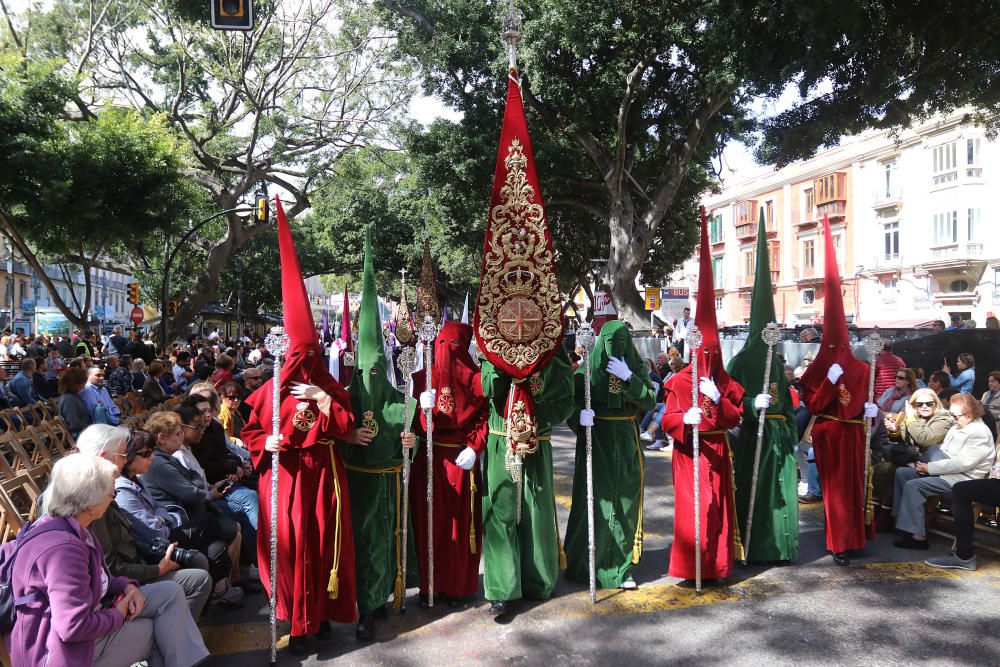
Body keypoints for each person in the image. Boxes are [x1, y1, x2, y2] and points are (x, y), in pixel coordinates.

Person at [241, 198, 358, 655]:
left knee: (324, 545)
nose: (305, 365)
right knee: (290, 548)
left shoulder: (326, 381)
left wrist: (323, 397)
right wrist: (264, 440)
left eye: (311, 356)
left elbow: (346, 424)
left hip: (324, 476)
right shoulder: (269, 389)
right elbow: (249, 430)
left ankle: (323, 615)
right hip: (286, 477)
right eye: (299, 357)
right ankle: (296, 617)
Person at [6, 452, 209, 667]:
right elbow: (73, 627)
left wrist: (128, 587)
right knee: (162, 633)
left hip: (93, 618)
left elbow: (99, 577)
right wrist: (117, 615)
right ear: (91, 503)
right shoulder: (64, 550)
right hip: (64, 652)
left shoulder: (73, 524)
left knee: (170, 593)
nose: (114, 498)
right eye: (110, 495)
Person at [661, 212, 745, 581]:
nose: (709, 359)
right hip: (689, 455)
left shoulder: (725, 380)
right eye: (704, 352)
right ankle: (692, 567)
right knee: (696, 510)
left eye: (714, 352)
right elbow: (665, 419)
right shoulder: (679, 380)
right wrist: (684, 419)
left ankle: (717, 566)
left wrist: (720, 399)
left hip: (718, 451)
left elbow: (734, 418)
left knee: (718, 511)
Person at [338, 231, 413, 639]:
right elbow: (329, 432)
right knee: (361, 545)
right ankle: (363, 606)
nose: (370, 378)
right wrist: (347, 435)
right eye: (364, 371)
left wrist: (410, 445)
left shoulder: (404, 401)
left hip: (388, 484)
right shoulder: (344, 399)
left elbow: (415, 440)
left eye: (377, 371)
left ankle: (382, 596)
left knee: (387, 541)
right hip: (357, 485)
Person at [797, 216, 876, 566]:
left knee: (854, 487)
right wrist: (828, 381)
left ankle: (854, 538)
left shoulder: (863, 369)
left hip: (855, 433)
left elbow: (865, 400)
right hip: (830, 432)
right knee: (834, 490)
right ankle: (839, 542)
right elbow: (813, 405)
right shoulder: (818, 369)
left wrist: (872, 412)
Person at [726, 209, 799, 564]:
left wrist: (790, 428)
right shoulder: (740, 362)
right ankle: (755, 546)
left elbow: (788, 403)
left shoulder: (780, 359)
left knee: (782, 493)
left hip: (780, 437)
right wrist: (751, 406)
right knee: (759, 492)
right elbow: (729, 400)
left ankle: (783, 548)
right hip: (755, 436)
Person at [480, 349, 574, 615]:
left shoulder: (553, 355)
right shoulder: (491, 352)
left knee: (536, 512)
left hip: (537, 442)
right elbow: (487, 388)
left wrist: (532, 416)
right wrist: (501, 362)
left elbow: (566, 401)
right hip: (501, 442)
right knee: (501, 514)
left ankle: (537, 581)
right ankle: (502, 590)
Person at [565, 320, 655, 590]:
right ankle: (585, 563)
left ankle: (621, 566)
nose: (615, 347)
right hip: (597, 437)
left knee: (624, 504)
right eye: (609, 342)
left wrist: (631, 379)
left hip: (626, 438)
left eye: (621, 341)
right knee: (594, 501)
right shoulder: (586, 371)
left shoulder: (636, 368)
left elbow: (650, 399)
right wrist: (578, 418)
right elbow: (569, 401)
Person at [409, 321, 489, 603]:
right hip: (429, 461)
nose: (447, 352)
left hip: (461, 461)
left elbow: (484, 418)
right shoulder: (422, 379)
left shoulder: (477, 381)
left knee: (459, 525)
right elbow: (414, 427)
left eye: (453, 346)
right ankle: (429, 584)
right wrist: (423, 410)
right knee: (430, 524)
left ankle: (457, 585)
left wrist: (475, 446)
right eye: (442, 345)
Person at [141, 405, 246, 606]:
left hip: (192, 511)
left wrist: (198, 483)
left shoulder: (168, 458)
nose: (181, 438)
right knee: (228, 527)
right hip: (181, 520)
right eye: (177, 434)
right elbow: (193, 492)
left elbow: (194, 483)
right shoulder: (160, 464)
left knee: (230, 528)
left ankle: (227, 583)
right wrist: (198, 483)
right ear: (162, 438)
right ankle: (221, 588)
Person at [115, 425, 231, 597]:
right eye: (145, 454)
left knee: (216, 541)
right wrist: (161, 518)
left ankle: (221, 588)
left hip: (167, 530)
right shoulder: (123, 491)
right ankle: (220, 591)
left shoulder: (135, 480)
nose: (152, 457)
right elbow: (155, 530)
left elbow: (158, 508)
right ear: (128, 457)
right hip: (157, 546)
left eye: (151, 452)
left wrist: (160, 517)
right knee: (213, 522)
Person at [892, 392, 995, 549]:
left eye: (955, 416)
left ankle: (917, 537)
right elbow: (945, 452)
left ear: (969, 415)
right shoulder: (959, 425)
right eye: (951, 415)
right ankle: (903, 523)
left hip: (963, 478)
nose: (952, 419)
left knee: (914, 486)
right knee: (903, 473)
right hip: (946, 470)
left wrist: (929, 468)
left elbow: (963, 464)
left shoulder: (979, 432)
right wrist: (924, 465)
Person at [873, 388, 953, 525]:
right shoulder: (914, 417)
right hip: (912, 459)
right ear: (913, 405)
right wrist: (895, 431)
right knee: (881, 467)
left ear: (936, 403)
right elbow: (904, 441)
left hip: (931, 464)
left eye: (929, 403)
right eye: (920, 404)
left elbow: (924, 439)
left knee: (890, 470)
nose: (924, 407)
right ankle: (881, 510)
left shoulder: (944, 418)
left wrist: (910, 419)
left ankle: (887, 515)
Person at [57, 366, 93, 439]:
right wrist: (92, 426)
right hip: (79, 435)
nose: (84, 387)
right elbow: (74, 424)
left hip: (85, 430)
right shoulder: (68, 399)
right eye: (83, 384)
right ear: (75, 384)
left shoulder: (74, 396)